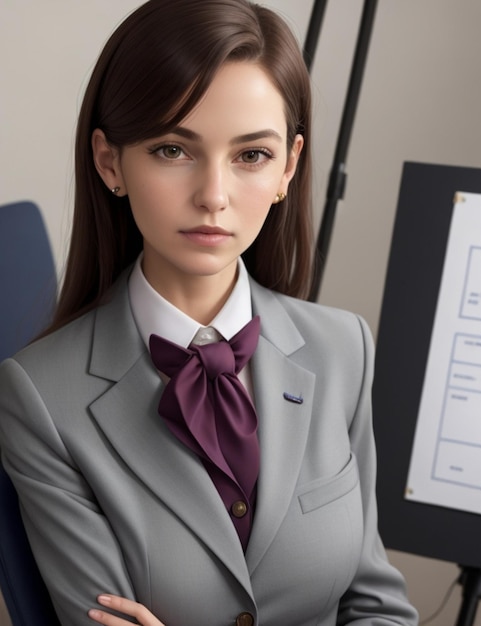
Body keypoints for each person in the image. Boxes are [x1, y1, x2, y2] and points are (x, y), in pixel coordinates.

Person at [0, 1, 418, 625]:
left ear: (289, 167)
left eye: (251, 155)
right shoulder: (39, 398)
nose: (214, 197)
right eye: (173, 149)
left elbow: (378, 606)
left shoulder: (342, 349)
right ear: (111, 160)